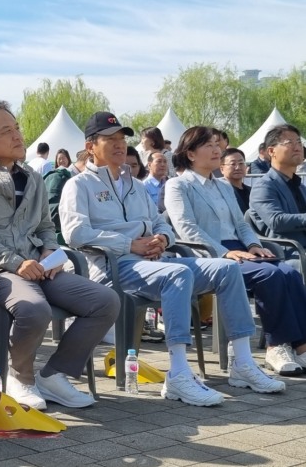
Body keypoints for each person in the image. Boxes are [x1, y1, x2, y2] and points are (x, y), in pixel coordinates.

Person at [60, 111, 283, 407]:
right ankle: (178, 372)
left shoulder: (135, 186)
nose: (118, 145)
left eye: (121, 139)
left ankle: (242, 362)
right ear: (90, 147)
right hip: (111, 268)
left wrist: (162, 239)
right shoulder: (78, 185)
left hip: (153, 262)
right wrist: (129, 244)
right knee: (177, 275)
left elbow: (162, 222)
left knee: (228, 267)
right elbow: (75, 233)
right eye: (109, 139)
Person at [0, 101, 120, 410]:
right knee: (33, 307)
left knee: (105, 301)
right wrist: (16, 262)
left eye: (17, 129)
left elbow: (44, 226)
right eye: (7, 131)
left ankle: (54, 375)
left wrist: (50, 251)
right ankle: (19, 378)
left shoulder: (34, 178)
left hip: (37, 267)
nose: (18, 136)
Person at [166, 125, 306, 376]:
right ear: (190, 154)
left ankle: (301, 347)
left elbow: (241, 224)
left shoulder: (222, 186)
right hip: (206, 254)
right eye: (208, 145)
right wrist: (223, 252)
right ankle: (275, 346)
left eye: (216, 144)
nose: (216, 149)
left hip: (241, 249)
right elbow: (186, 228)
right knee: (271, 275)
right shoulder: (179, 185)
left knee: (289, 273)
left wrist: (254, 244)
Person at [250, 124, 306, 270]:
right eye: (290, 142)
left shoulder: (301, 187)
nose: (297, 147)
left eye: (299, 142)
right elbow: (276, 221)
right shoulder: (264, 186)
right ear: (271, 151)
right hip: (288, 253)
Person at [220, 148, 251, 214]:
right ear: (222, 169)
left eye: (241, 163)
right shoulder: (219, 192)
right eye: (233, 164)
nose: (238, 167)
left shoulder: (252, 191)